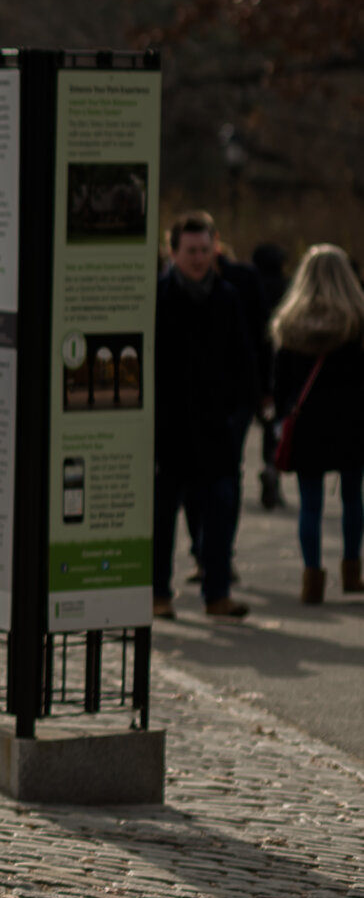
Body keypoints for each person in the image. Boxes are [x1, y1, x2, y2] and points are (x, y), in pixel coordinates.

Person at [152, 212, 261, 619]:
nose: (198, 258)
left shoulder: (227, 297)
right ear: (173, 252)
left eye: (204, 250)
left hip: (217, 428)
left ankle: (217, 594)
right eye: (190, 251)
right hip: (170, 428)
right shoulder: (158, 297)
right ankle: (158, 593)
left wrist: (240, 413)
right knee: (162, 517)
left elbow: (243, 358)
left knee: (220, 514)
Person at [267, 244, 364, 604]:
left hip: (307, 425)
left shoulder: (290, 323)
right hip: (353, 422)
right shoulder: (357, 320)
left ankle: (312, 581)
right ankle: (352, 571)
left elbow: (280, 383)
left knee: (311, 504)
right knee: (353, 498)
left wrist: (278, 417)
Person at [248, 242, 293, 510]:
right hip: (278, 367)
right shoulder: (286, 289)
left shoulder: (250, 287)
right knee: (273, 425)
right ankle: (271, 468)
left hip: (251, 367)